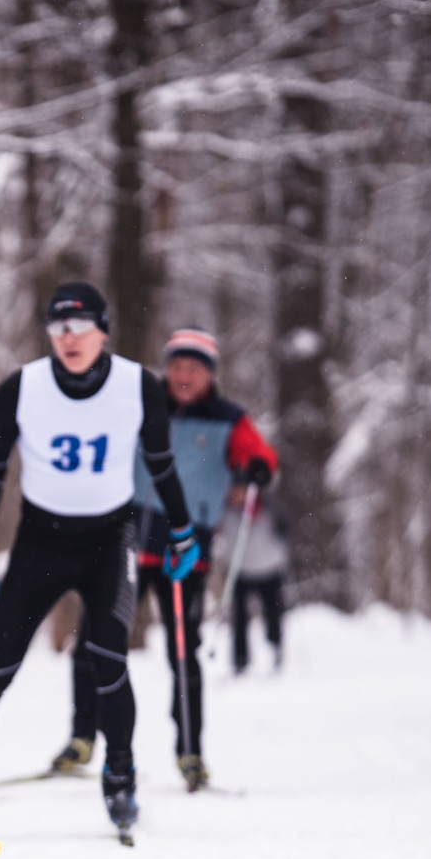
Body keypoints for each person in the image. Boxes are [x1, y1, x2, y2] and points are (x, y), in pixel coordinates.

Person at [0, 283, 197, 841]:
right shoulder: (21, 387)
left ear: (103, 332)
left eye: (81, 327)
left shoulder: (139, 386)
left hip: (111, 541)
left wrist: (182, 532)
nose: (69, 339)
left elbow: (160, 464)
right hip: (41, 542)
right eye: (58, 328)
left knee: (109, 659)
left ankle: (119, 777)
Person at [131, 328, 277, 790]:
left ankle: (191, 751)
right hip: (131, 539)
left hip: (186, 549)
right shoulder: (143, 402)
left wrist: (257, 468)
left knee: (182, 650)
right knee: (101, 639)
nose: (183, 376)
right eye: (176, 366)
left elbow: (260, 455)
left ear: (210, 375)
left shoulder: (229, 418)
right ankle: (87, 741)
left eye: (194, 368)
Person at [222, 489, 289, 674]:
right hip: (240, 569)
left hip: (269, 567)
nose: (234, 496)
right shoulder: (227, 511)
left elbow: (284, 527)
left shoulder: (267, 506)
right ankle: (240, 660)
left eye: (239, 492)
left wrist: (283, 533)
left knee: (272, 612)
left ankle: (276, 647)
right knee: (240, 617)